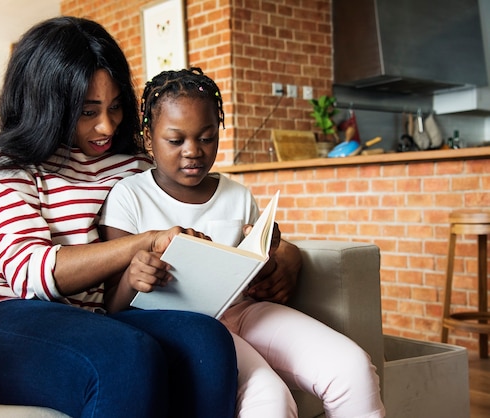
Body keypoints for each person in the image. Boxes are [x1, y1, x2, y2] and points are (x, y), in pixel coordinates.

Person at [0, 18, 238, 418]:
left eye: (115, 106)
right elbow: (31, 275)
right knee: (123, 357)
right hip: (0, 317)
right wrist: (144, 241)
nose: (107, 125)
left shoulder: (137, 163)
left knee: (207, 341)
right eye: (88, 111)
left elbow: (201, 215)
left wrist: (282, 253)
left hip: (102, 318)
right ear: (46, 104)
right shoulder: (10, 167)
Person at [99, 67, 386, 418]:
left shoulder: (237, 194)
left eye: (206, 138)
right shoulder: (129, 196)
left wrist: (270, 252)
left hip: (244, 311)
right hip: (184, 326)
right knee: (269, 398)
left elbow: (254, 273)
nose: (193, 151)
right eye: (176, 140)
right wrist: (132, 277)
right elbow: (111, 306)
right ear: (148, 138)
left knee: (352, 367)